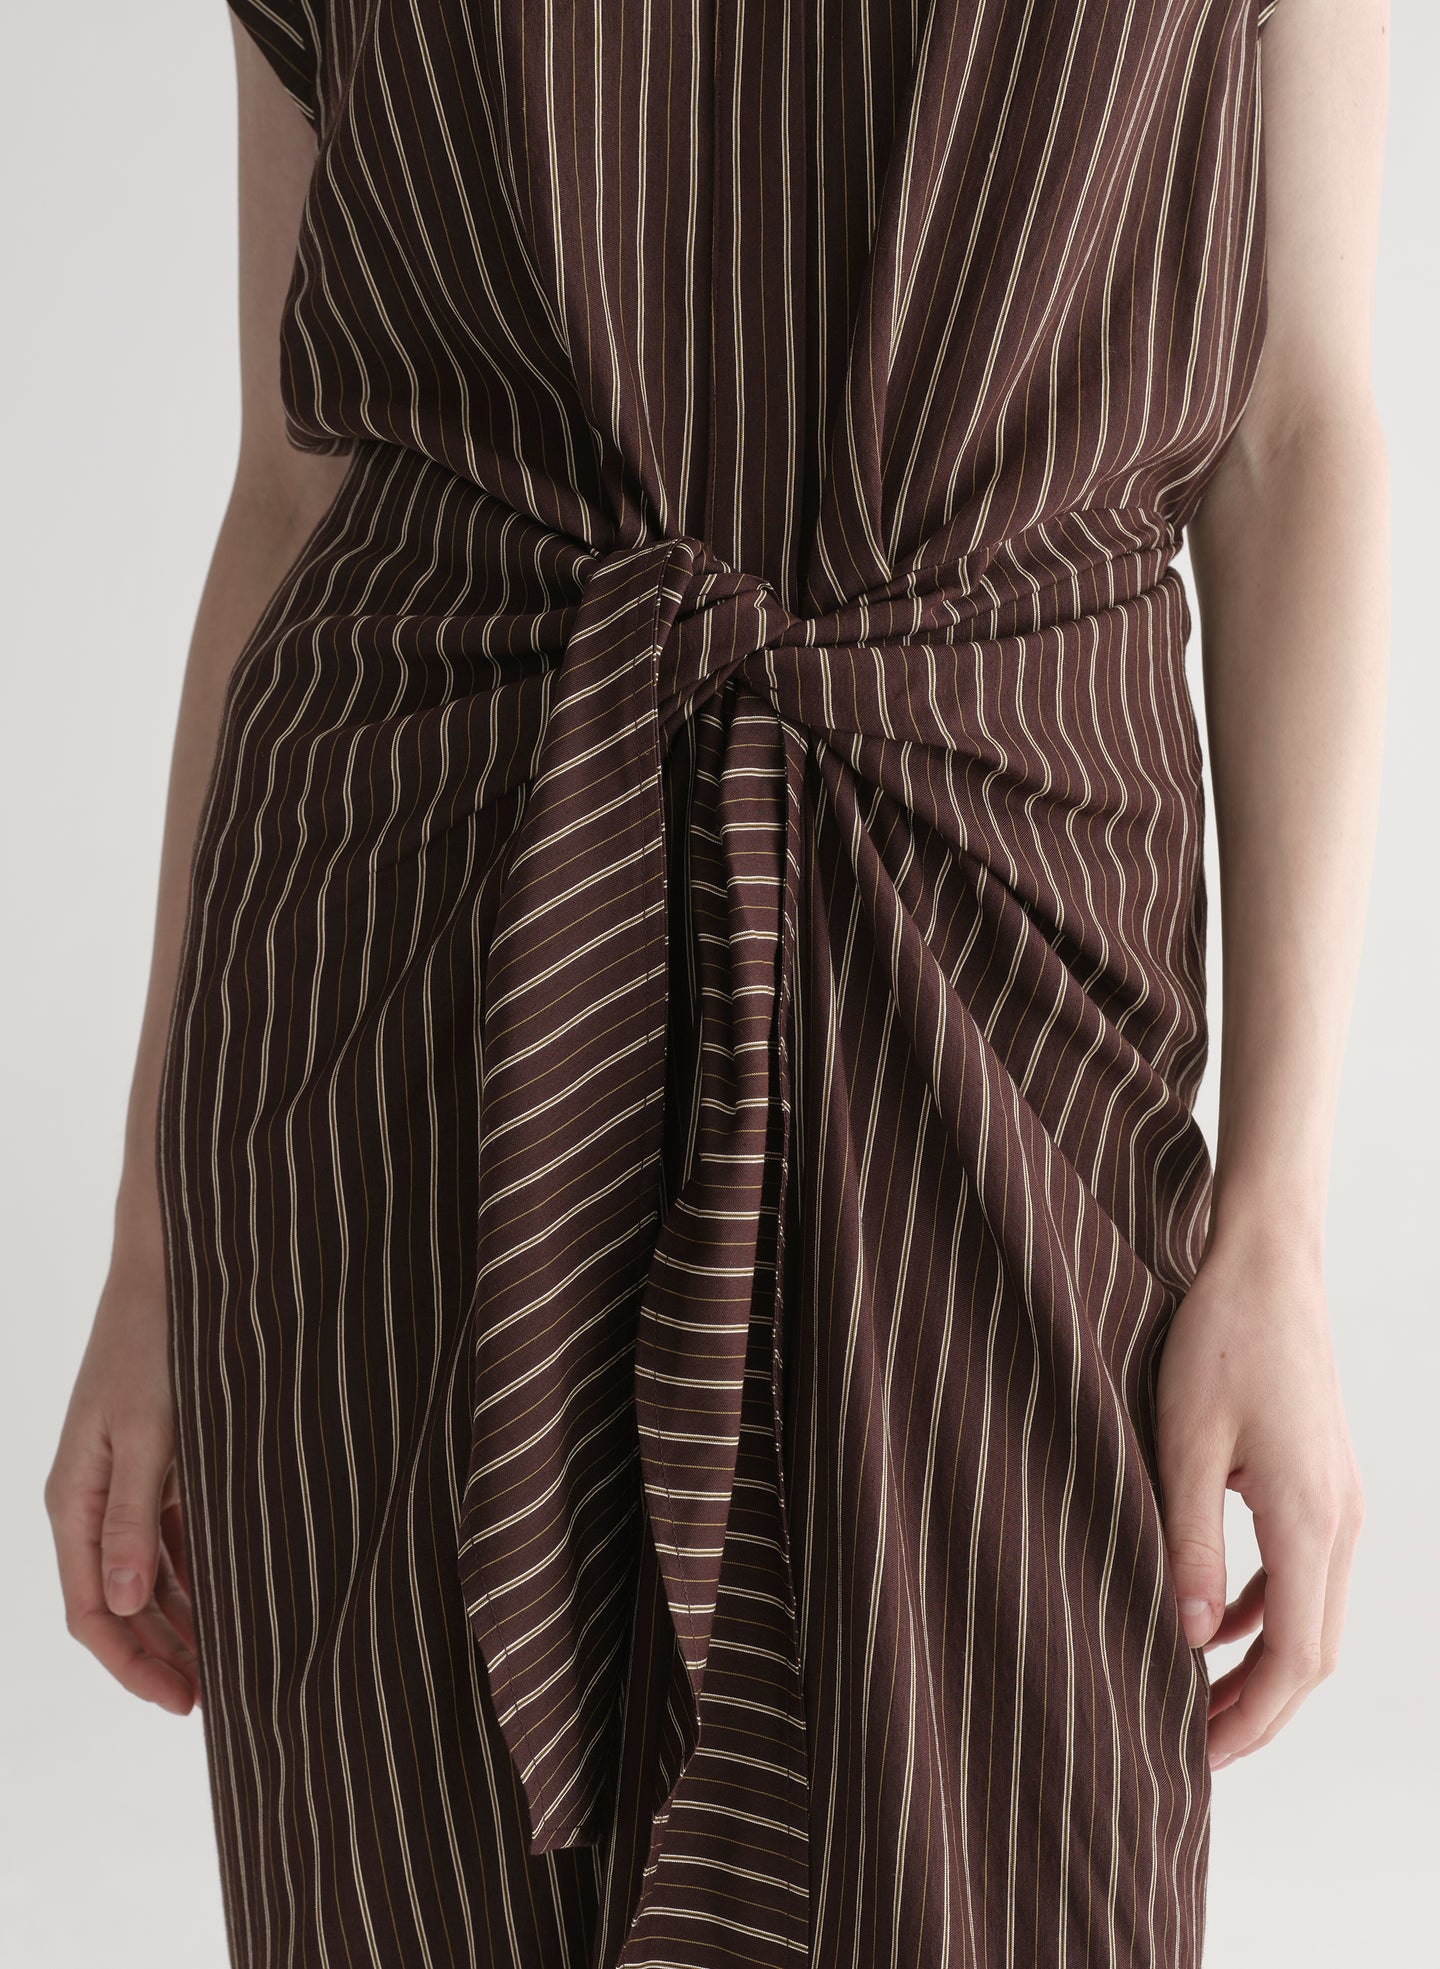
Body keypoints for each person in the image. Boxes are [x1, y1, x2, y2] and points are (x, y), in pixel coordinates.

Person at [45, 1, 1388, 1963]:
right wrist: (155, 1231)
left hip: (1012, 1011)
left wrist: (1274, 1220)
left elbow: (1298, 430)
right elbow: (297, 484)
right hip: (423, 1018)